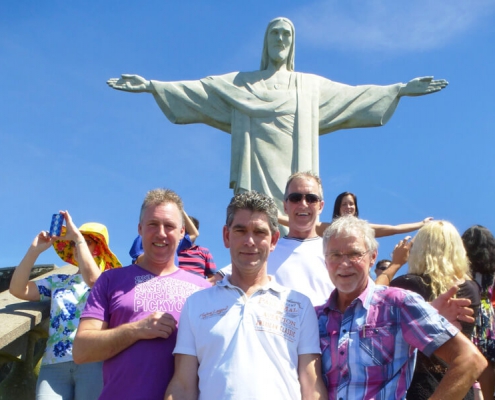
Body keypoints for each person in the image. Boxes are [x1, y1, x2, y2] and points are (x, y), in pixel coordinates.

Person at [107, 17, 448, 217]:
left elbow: (353, 95)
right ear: (266, 42)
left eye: (287, 35)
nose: (281, 39)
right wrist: (152, 86)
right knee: (256, 219)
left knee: (297, 212)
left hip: (295, 170)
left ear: (293, 43)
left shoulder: (308, 86)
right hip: (255, 168)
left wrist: (399, 90)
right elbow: (201, 90)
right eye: (275, 34)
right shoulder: (241, 83)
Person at [164, 191, 327, 399]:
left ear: (274, 239)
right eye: (240, 230)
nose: (250, 241)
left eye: (259, 232)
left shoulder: (299, 305)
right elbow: (182, 386)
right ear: (226, 236)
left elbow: (311, 387)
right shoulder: (196, 304)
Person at [316, 215, 486, 399]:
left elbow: (470, 359)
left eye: (354, 254)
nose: (344, 263)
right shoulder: (314, 318)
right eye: (335, 255)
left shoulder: (398, 303)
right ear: (325, 261)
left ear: (373, 257)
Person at [72, 189, 211, 400]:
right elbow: (82, 351)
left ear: (182, 232)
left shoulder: (204, 290)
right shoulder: (110, 280)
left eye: (170, 226)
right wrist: (137, 329)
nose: (161, 233)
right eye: (153, 224)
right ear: (140, 228)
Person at [9, 211, 122, 400]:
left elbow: (93, 280)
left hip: (94, 363)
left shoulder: (110, 280)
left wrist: (77, 237)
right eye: (75, 242)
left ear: (98, 249)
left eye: (88, 241)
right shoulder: (58, 281)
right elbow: (17, 289)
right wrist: (34, 250)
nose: (78, 245)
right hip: (54, 365)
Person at [386, 221, 481, 399]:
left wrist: (395, 264)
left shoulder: (407, 285)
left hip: (418, 386)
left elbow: (371, 303)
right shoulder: (472, 289)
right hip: (459, 385)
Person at [216, 171, 335, 306]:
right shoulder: (266, 248)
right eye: (295, 198)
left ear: (321, 206)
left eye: (311, 198)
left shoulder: (335, 251)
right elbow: (219, 279)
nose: (303, 204)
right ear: (285, 206)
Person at [279, 191, 432, 238]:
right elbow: (295, 222)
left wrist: (420, 224)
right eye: (344, 204)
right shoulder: (329, 229)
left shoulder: (363, 228)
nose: (348, 207)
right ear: (338, 208)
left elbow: (393, 228)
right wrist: (272, 216)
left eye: (351, 204)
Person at [462, 225, 495, 400]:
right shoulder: (492, 266)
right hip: (488, 313)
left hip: (468, 308)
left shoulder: (462, 265)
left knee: (467, 353)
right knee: (488, 358)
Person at [177, 216, 218, 282]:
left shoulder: (204, 252)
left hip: (198, 289)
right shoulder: (173, 250)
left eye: (189, 231)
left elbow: (213, 278)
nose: (187, 235)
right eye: (185, 231)